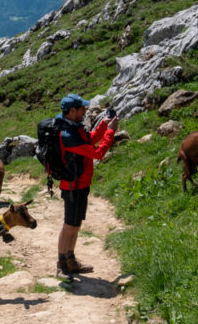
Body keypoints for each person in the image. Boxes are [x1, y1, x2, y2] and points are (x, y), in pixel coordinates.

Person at [55, 93, 118, 276]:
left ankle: (71, 260)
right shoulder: (68, 135)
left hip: (80, 184)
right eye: (82, 108)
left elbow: (89, 139)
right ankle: (62, 263)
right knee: (69, 225)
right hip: (73, 186)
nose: (85, 111)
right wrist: (111, 132)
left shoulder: (74, 127)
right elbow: (97, 153)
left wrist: (104, 124)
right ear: (73, 111)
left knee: (75, 224)